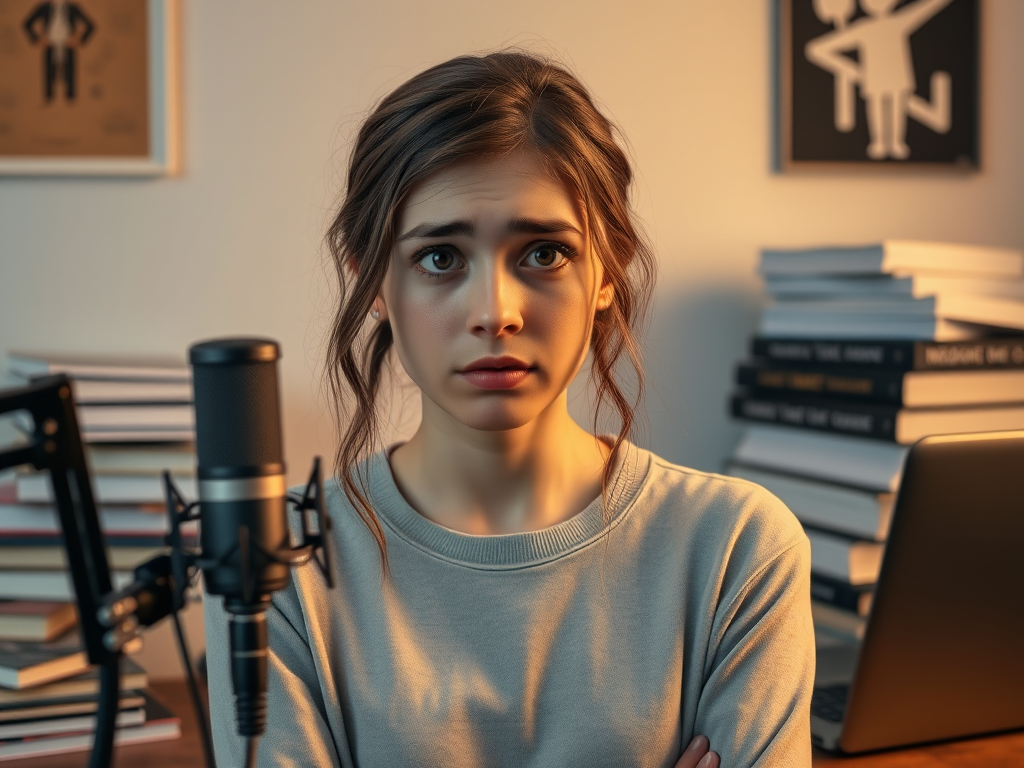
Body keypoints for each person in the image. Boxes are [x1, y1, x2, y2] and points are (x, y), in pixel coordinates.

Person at [204, 50, 814, 767]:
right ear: (370, 280)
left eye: (545, 254)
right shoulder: (271, 568)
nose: (494, 313)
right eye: (440, 258)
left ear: (607, 269)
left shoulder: (737, 549)